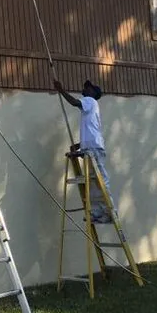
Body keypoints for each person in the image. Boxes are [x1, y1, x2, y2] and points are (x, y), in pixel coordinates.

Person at [53, 79, 113, 223]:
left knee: (100, 180)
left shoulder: (90, 101)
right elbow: (92, 130)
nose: (84, 89)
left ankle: (109, 211)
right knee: (93, 183)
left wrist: (61, 90)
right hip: (90, 147)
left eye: (88, 88)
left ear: (93, 93)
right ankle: (98, 213)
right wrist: (79, 145)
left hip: (94, 149)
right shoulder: (90, 108)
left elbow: (74, 102)